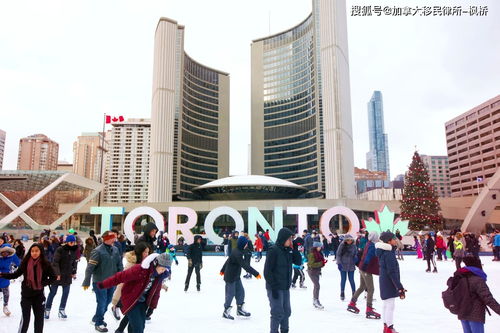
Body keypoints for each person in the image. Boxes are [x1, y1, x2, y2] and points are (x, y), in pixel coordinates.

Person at [97, 253, 171, 333]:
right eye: (162, 269)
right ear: (156, 263)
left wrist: (152, 307)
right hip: (131, 300)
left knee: (140, 326)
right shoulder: (140, 270)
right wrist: (103, 284)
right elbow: (120, 277)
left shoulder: (159, 277)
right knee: (138, 328)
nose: (163, 271)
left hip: (143, 303)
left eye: (165, 270)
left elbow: (156, 293)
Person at [0, 243, 56, 333]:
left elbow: (53, 277)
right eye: (32, 251)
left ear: (40, 252)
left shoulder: (46, 264)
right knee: (25, 319)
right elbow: (16, 274)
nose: (34, 253)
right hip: (26, 296)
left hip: (39, 295)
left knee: (39, 320)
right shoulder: (25, 263)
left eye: (36, 251)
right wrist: (2, 275)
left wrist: (42, 283)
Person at [82, 230, 124, 332]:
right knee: (102, 302)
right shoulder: (97, 251)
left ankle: (97, 317)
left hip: (112, 281)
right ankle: (99, 322)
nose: (114, 239)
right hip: (100, 282)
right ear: (106, 239)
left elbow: (119, 263)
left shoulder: (115, 249)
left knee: (108, 301)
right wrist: (86, 281)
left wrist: (121, 275)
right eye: (111, 237)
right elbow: (90, 267)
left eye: (114, 237)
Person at [447, 256, 500, 333]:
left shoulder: (459, 277)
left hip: (462, 313)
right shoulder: (477, 280)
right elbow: (488, 299)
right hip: (475, 315)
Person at [264, 228, 302, 333]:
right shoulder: (273, 250)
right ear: (283, 238)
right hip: (275, 287)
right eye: (289, 239)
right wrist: (274, 288)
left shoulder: (288, 251)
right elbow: (267, 272)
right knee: (277, 312)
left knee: (286, 312)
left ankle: (285, 330)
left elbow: (298, 262)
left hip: (285, 286)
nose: (290, 241)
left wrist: (294, 248)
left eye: (291, 239)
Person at [111, 242, 150, 332]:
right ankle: (120, 330)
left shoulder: (146, 264)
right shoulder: (131, 265)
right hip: (130, 297)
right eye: (144, 252)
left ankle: (119, 330)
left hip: (141, 299)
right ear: (139, 252)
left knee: (133, 322)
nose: (147, 254)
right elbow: (122, 283)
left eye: (148, 252)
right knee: (136, 325)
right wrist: (115, 301)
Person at [220, 235, 261, 320]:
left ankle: (240, 309)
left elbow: (228, 260)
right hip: (230, 276)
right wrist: (256, 273)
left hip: (236, 276)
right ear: (242, 244)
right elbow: (245, 265)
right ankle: (226, 311)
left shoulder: (239, 250)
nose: (246, 245)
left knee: (241, 292)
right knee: (230, 294)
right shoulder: (237, 253)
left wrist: (222, 270)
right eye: (246, 244)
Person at [376, 232, 406, 333]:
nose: (395, 240)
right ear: (389, 241)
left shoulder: (384, 252)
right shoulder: (388, 254)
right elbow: (392, 272)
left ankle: (386, 327)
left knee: (386, 304)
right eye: (393, 238)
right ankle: (389, 327)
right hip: (389, 282)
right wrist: (399, 286)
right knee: (390, 305)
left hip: (384, 280)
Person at [348, 232, 381, 319]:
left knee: (362, 287)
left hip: (362, 268)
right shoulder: (372, 246)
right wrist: (366, 267)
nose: (378, 238)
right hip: (365, 269)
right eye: (377, 237)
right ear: (374, 238)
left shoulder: (369, 243)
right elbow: (368, 257)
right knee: (371, 289)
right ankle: (369, 309)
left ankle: (352, 303)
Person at [44, 235, 78, 319]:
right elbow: (55, 262)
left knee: (65, 293)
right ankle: (47, 310)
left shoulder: (74, 250)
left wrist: (74, 271)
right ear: (67, 242)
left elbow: (74, 262)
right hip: (57, 275)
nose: (72, 243)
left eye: (74, 242)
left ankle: (62, 309)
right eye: (71, 242)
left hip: (67, 275)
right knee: (52, 293)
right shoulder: (60, 249)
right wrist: (57, 274)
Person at [0, 244, 21, 316]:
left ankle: (5, 306)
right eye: (3, 252)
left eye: (7, 252)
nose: (5, 253)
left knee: (6, 293)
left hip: (5, 276)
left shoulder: (12, 256)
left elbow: (19, 263)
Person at [336, 234, 358, 301]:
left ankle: (354, 293)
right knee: (343, 279)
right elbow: (338, 254)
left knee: (351, 279)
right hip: (343, 264)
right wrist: (339, 263)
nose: (349, 241)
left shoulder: (354, 246)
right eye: (348, 240)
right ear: (345, 240)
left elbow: (355, 253)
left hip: (351, 264)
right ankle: (342, 292)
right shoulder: (342, 245)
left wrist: (356, 257)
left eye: (350, 240)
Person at [307, 241, 326, 309]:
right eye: (319, 247)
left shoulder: (318, 253)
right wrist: (321, 263)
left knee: (316, 286)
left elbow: (319, 262)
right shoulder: (312, 254)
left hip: (317, 271)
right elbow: (311, 264)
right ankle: (315, 300)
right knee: (317, 285)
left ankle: (315, 300)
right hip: (312, 271)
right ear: (316, 247)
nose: (320, 248)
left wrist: (323, 262)